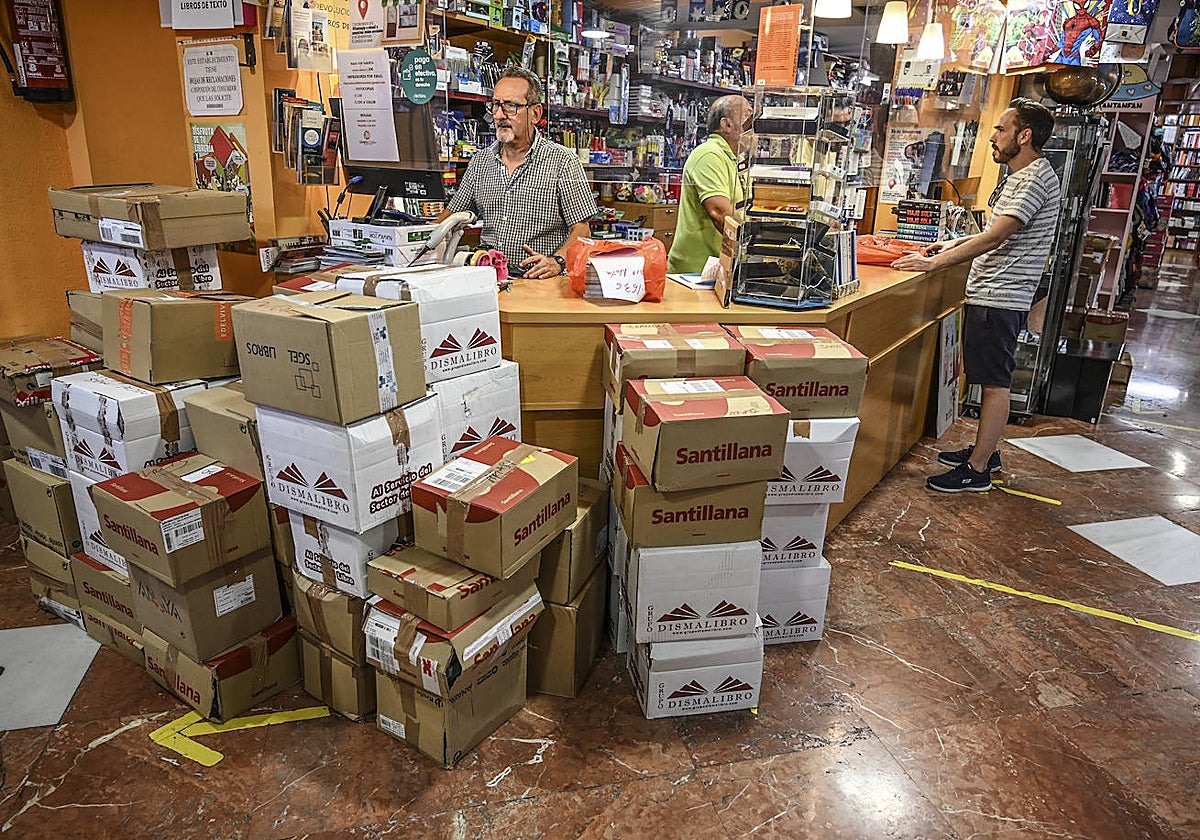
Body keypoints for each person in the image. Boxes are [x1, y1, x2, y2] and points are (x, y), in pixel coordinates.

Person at [891, 97, 1062, 493]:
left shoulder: (1032, 177)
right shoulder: (1026, 175)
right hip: (998, 291)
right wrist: (949, 246)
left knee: (994, 382)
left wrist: (937, 263)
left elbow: (997, 236)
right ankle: (986, 450)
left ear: (1025, 135)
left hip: (1000, 295)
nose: (993, 137)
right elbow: (997, 233)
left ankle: (979, 468)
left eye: (1001, 129)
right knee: (989, 378)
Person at [440, 66, 597, 279]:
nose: (499, 115)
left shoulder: (563, 161)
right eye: (495, 105)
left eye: (511, 106)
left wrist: (557, 261)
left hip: (539, 280)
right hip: (489, 278)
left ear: (535, 114)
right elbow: (452, 217)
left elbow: (582, 231)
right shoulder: (480, 161)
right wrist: (408, 235)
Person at [667, 95, 752, 274]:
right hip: (695, 273)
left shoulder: (737, 160)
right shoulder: (709, 155)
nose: (754, 127)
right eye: (748, 117)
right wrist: (754, 245)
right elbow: (720, 213)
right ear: (726, 124)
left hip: (722, 268)